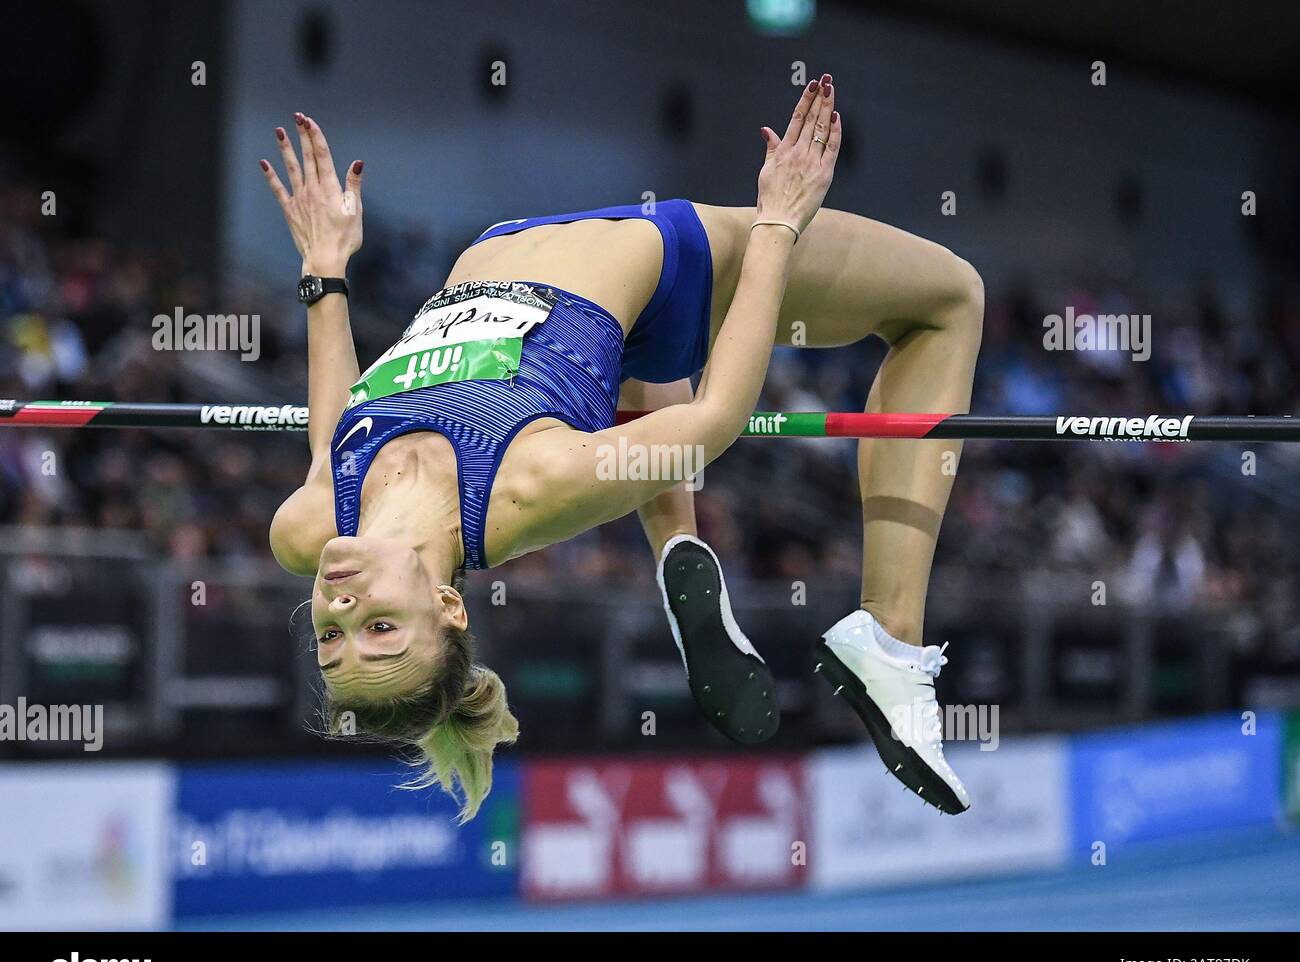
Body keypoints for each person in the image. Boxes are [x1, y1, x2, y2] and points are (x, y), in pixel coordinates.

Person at [263, 73, 981, 820]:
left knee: (617, 381)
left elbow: (331, 432)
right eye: (379, 626)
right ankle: (890, 642)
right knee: (950, 299)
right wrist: (777, 224)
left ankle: (677, 540)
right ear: (448, 605)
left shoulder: (310, 527)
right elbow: (712, 423)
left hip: (516, 260)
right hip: (663, 266)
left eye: (330, 634)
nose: (342, 605)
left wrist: (325, 269)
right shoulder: (520, 489)